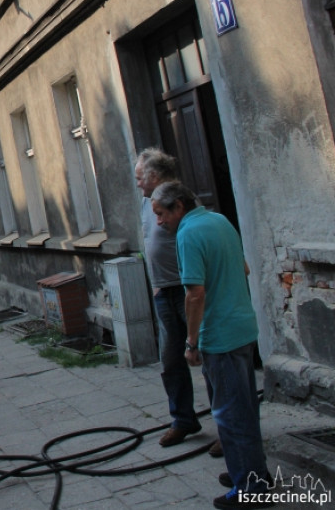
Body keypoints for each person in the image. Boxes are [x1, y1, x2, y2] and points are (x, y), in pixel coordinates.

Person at [151, 181, 273, 509]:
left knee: (230, 414)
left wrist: (191, 342)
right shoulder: (219, 221)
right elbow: (244, 268)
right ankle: (248, 472)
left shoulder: (188, 234)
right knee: (243, 407)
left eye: (161, 214)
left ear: (178, 206)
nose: (159, 222)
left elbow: (194, 293)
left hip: (220, 337)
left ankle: (252, 488)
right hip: (243, 328)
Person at [134, 149, 215, 452]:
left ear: (154, 176)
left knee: (207, 357)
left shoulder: (182, 200)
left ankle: (226, 427)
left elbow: (199, 239)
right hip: (163, 293)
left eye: (140, 177)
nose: (137, 183)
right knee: (171, 361)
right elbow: (148, 240)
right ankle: (183, 419)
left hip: (188, 290)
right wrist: (155, 286)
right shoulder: (147, 203)